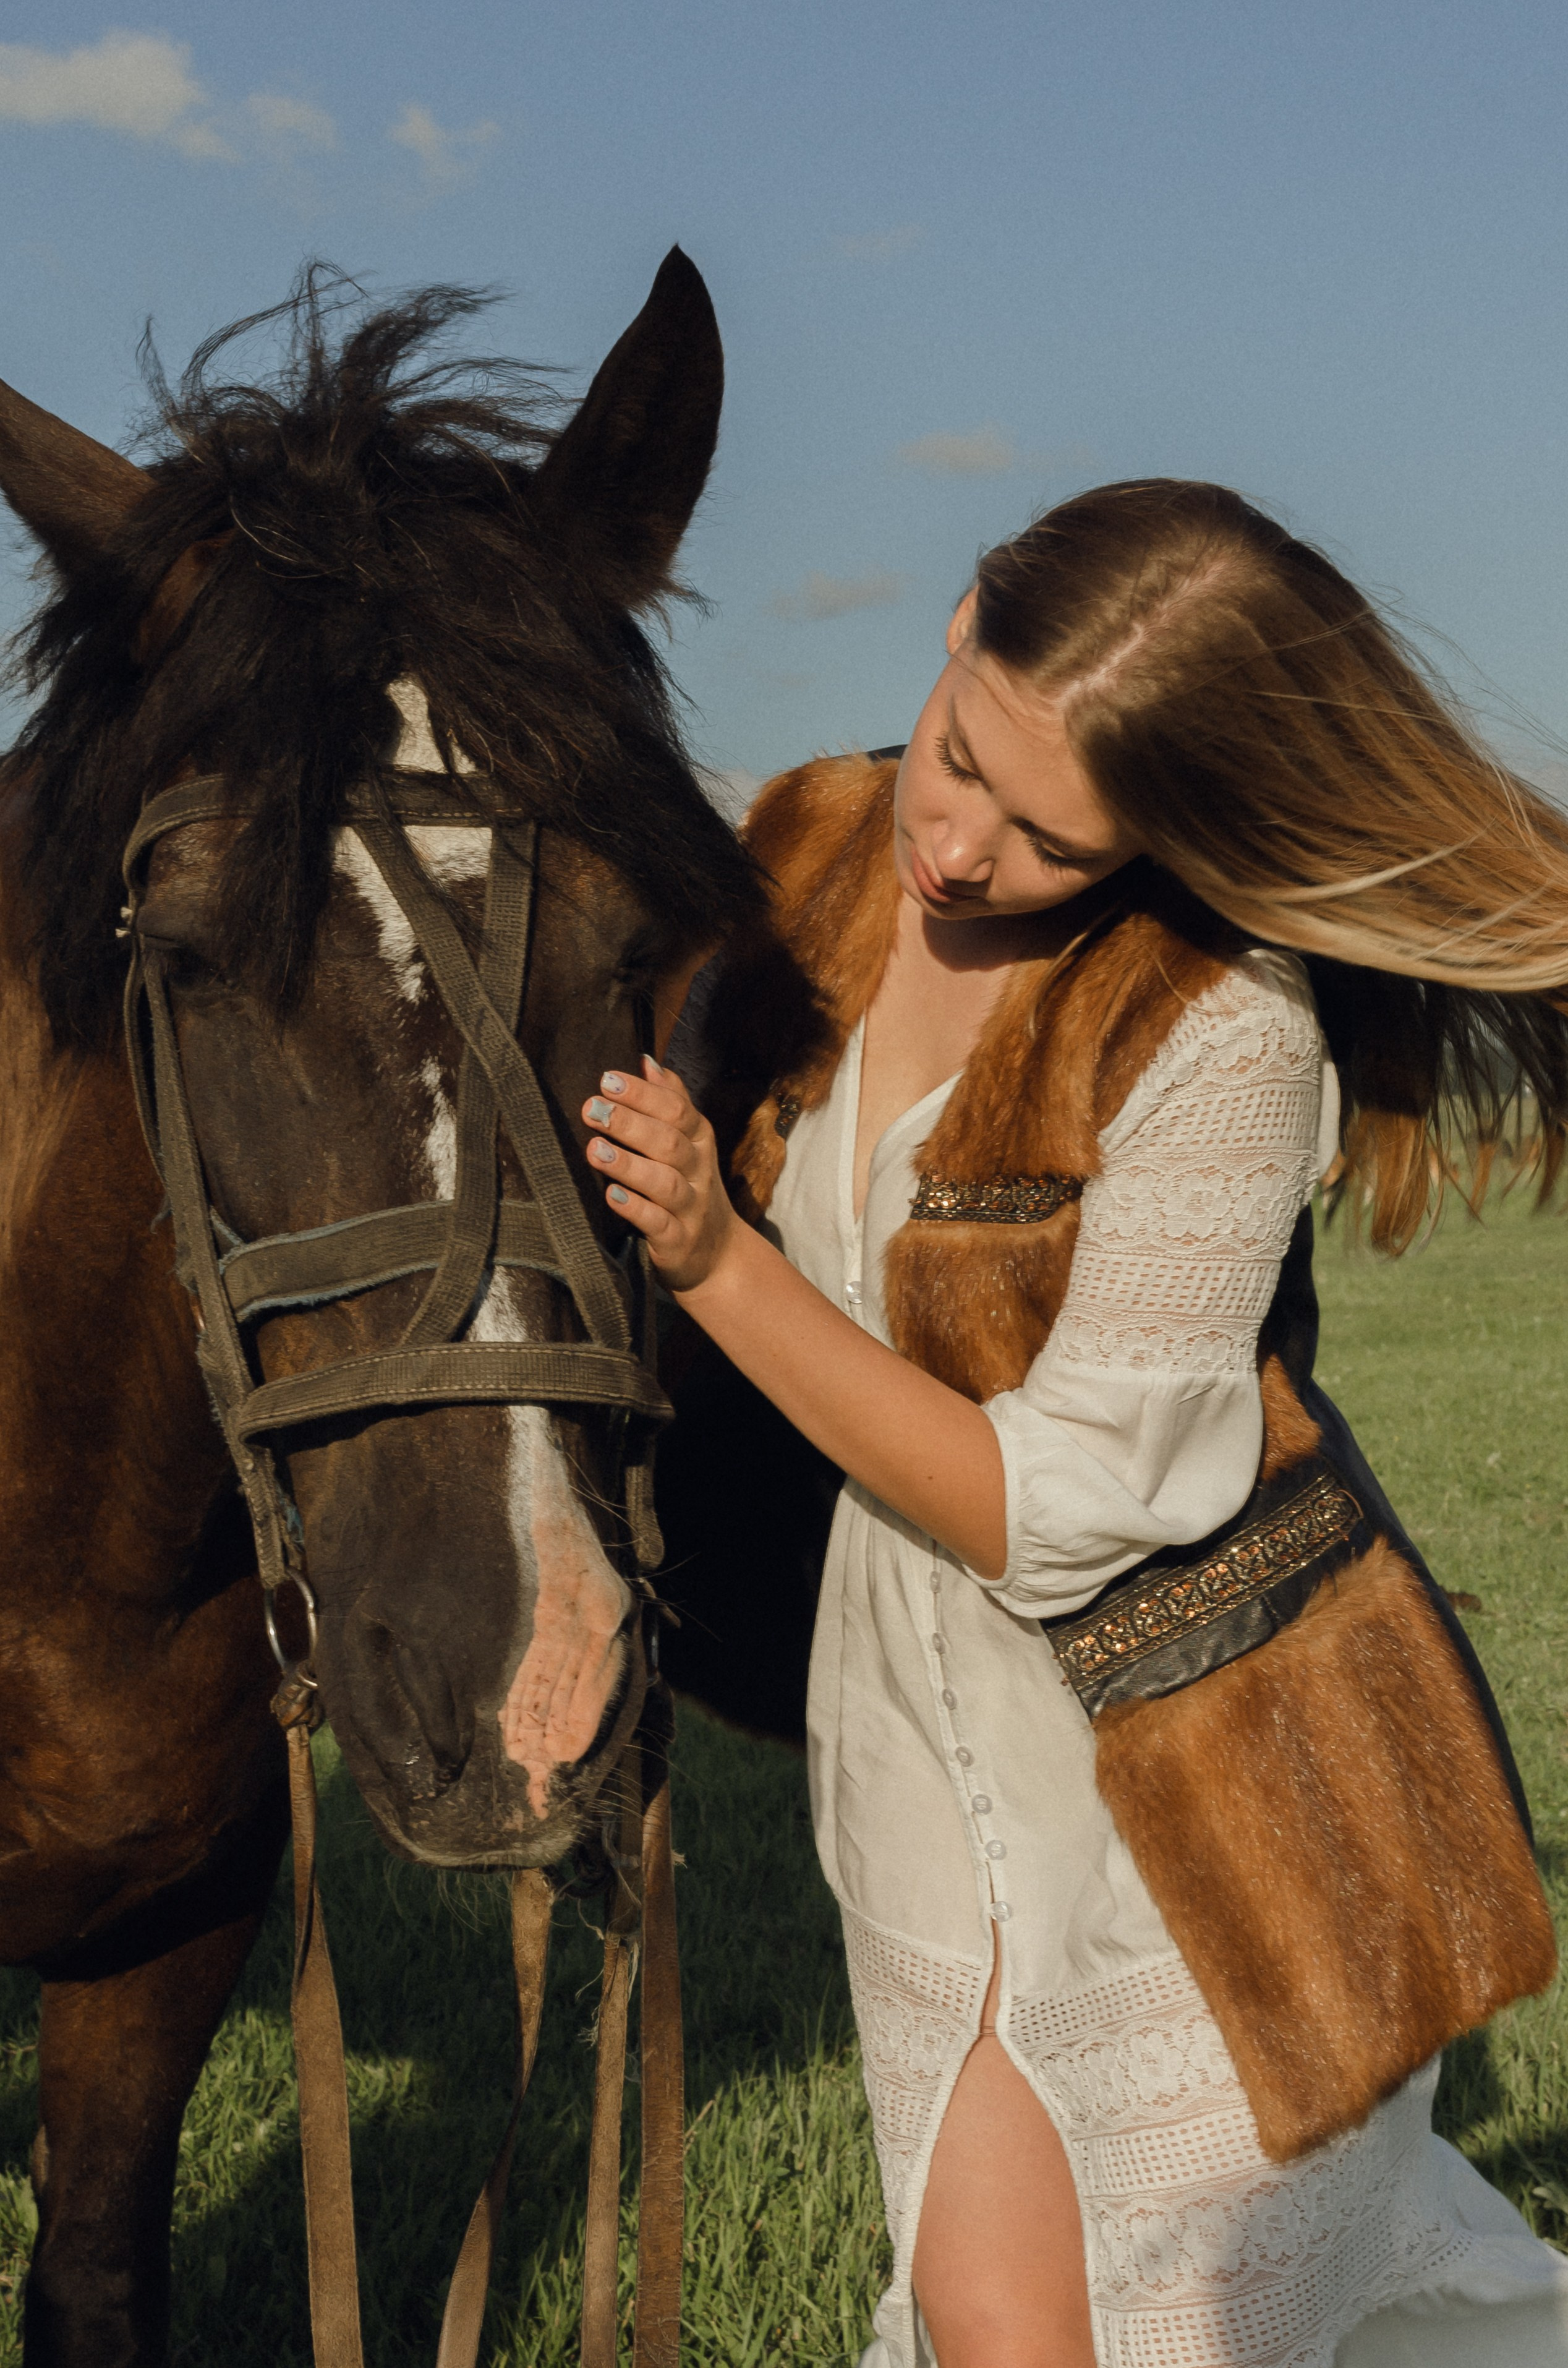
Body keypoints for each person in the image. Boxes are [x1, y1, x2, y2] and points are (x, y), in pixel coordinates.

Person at [576, 481, 1568, 2367]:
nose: (957, 849)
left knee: (1180, 2334)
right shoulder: (802, 855)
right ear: (957, 630)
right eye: (962, 764)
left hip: (1207, 1758)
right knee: (993, 2322)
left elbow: (1054, 1509)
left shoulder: (1224, 1030)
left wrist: (724, 1261)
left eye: (1053, 839)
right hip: (924, 1728)